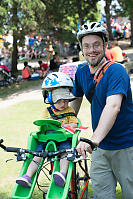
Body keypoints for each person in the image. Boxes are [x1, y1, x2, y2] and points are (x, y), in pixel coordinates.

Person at [71, 21, 133, 199]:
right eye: (87, 46)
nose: (92, 50)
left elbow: (113, 106)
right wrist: (64, 123)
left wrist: (92, 140)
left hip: (126, 146)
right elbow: (76, 99)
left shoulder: (116, 71)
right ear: (82, 49)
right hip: (100, 149)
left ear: (105, 45)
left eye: (97, 44)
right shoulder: (81, 71)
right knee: (102, 195)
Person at [16, 72, 78, 188]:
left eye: (65, 100)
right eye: (59, 100)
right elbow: (41, 125)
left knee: (65, 153)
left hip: (62, 138)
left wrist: (65, 126)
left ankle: (62, 174)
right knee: (37, 155)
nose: (63, 104)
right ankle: (27, 176)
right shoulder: (47, 112)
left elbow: (75, 123)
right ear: (50, 97)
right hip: (46, 139)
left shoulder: (69, 110)